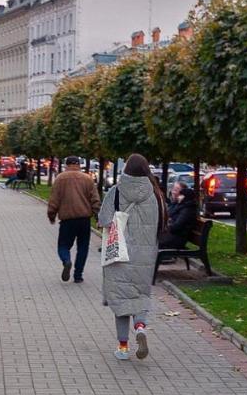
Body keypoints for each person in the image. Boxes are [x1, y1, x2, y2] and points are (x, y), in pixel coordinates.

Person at [97, 153, 167, 361]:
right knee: (140, 297)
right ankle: (140, 328)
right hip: (145, 257)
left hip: (120, 254)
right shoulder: (156, 195)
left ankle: (123, 347)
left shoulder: (116, 192)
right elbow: (161, 225)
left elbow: (103, 219)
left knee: (121, 301)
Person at [47, 156, 101, 284]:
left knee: (63, 245)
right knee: (83, 247)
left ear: (67, 165)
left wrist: (51, 215)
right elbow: (95, 199)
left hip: (67, 220)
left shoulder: (60, 178)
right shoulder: (87, 179)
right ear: (79, 164)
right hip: (84, 220)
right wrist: (98, 215)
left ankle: (66, 260)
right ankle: (78, 275)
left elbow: (54, 200)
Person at [159, 181, 198, 249]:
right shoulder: (177, 204)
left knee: (151, 241)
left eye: (177, 190)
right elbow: (167, 216)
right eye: (173, 189)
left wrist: (168, 223)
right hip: (171, 235)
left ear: (184, 196)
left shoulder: (187, 208)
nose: (173, 192)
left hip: (176, 239)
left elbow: (176, 226)